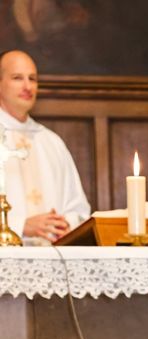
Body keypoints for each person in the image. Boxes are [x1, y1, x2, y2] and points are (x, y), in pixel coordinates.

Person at [0, 49, 89, 244]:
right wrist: (20, 226)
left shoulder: (51, 142)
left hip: (53, 260)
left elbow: (79, 210)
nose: (27, 86)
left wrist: (65, 224)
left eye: (32, 79)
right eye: (17, 78)